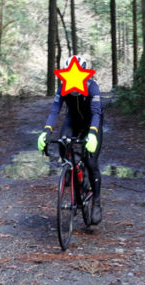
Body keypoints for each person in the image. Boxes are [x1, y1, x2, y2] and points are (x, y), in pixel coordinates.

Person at [37, 55, 104, 224]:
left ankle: (96, 202)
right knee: (62, 141)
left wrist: (93, 134)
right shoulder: (62, 88)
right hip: (72, 120)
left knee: (91, 162)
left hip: (91, 123)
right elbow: (55, 111)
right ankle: (70, 169)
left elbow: (96, 113)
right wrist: (46, 131)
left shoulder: (92, 87)